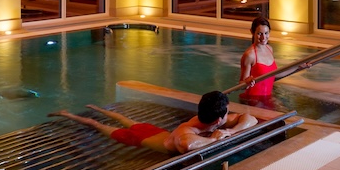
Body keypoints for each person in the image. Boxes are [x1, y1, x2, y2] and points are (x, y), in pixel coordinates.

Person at [50, 90, 257, 154]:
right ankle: (68, 115)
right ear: (219, 119)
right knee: (97, 125)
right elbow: (188, 144)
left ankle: (98, 108)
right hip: (139, 139)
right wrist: (214, 140)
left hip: (156, 132)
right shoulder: (188, 131)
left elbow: (251, 119)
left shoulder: (212, 121)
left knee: (126, 119)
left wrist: (231, 132)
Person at [233, 16, 278, 105]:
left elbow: (275, 74)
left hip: (267, 98)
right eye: (259, 33)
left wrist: (298, 67)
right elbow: (241, 84)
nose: (263, 37)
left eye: (266, 33)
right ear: (252, 32)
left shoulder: (270, 49)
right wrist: (247, 81)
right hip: (253, 101)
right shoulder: (250, 55)